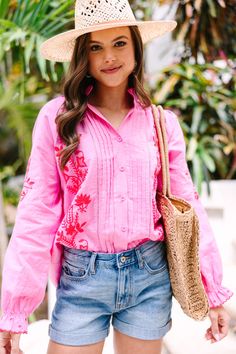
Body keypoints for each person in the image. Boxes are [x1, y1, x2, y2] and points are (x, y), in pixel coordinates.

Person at [0, 0, 233, 353]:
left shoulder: (161, 123)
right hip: (82, 279)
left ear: (136, 50)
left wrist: (214, 293)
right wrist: (14, 312)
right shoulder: (57, 120)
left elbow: (188, 206)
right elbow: (36, 214)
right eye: (96, 47)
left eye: (120, 43)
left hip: (149, 276)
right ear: (84, 56)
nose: (109, 57)